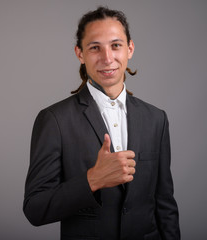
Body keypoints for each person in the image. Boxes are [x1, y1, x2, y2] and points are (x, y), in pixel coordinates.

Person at [23, 6, 180, 240]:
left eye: (116, 45)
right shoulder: (54, 120)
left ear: (130, 49)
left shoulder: (156, 118)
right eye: (95, 48)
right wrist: (93, 179)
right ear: (80, 53)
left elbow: (165, 204)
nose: (107, 58)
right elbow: (35, 209)